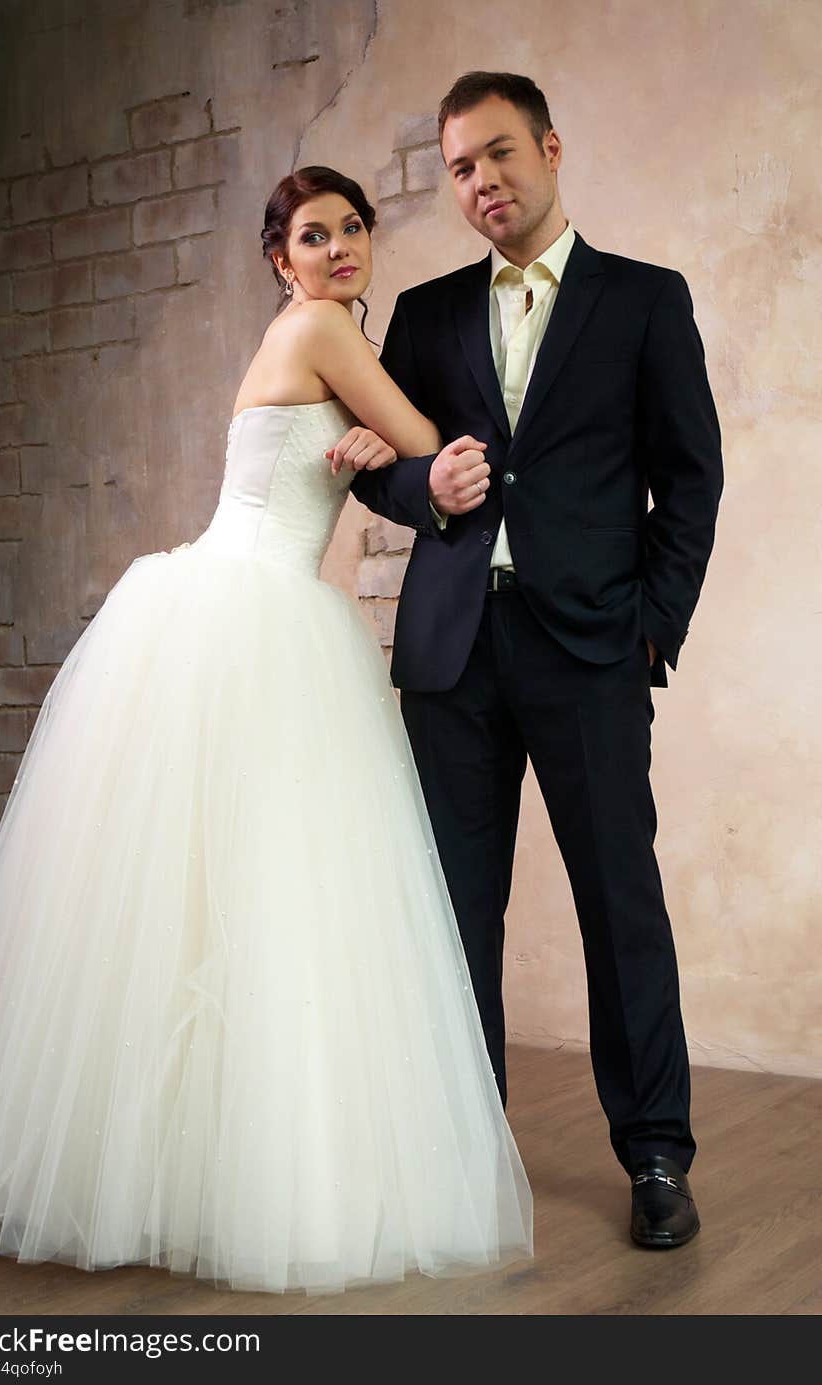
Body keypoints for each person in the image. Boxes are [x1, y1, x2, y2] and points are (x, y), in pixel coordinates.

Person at [0, 166, 532, 1295]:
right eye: (315, 235)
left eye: (354, 228)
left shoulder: (299, 330)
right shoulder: (320, 327)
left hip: (220, 600)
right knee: (271, 896)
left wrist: (372, 450)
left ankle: (178, 1169)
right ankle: (254, 1175)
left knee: (214, 902)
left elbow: (378, 451)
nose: (341, 249)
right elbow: (429, 444)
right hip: (261, 613)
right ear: (281, 258)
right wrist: (392, 446)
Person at [337, 72, 723, 1249]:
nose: (481, 182)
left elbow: (689, 476)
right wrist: (421, 483)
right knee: (454, 912)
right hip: (454, 654)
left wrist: (651, 622)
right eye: (458, 167)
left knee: (620, 903)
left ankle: (654, 1149)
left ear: (549, 147)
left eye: (498, 154)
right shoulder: (427, 311)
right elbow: (378, 466)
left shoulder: (645, 301)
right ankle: (464, 1148)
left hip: (591, 647)